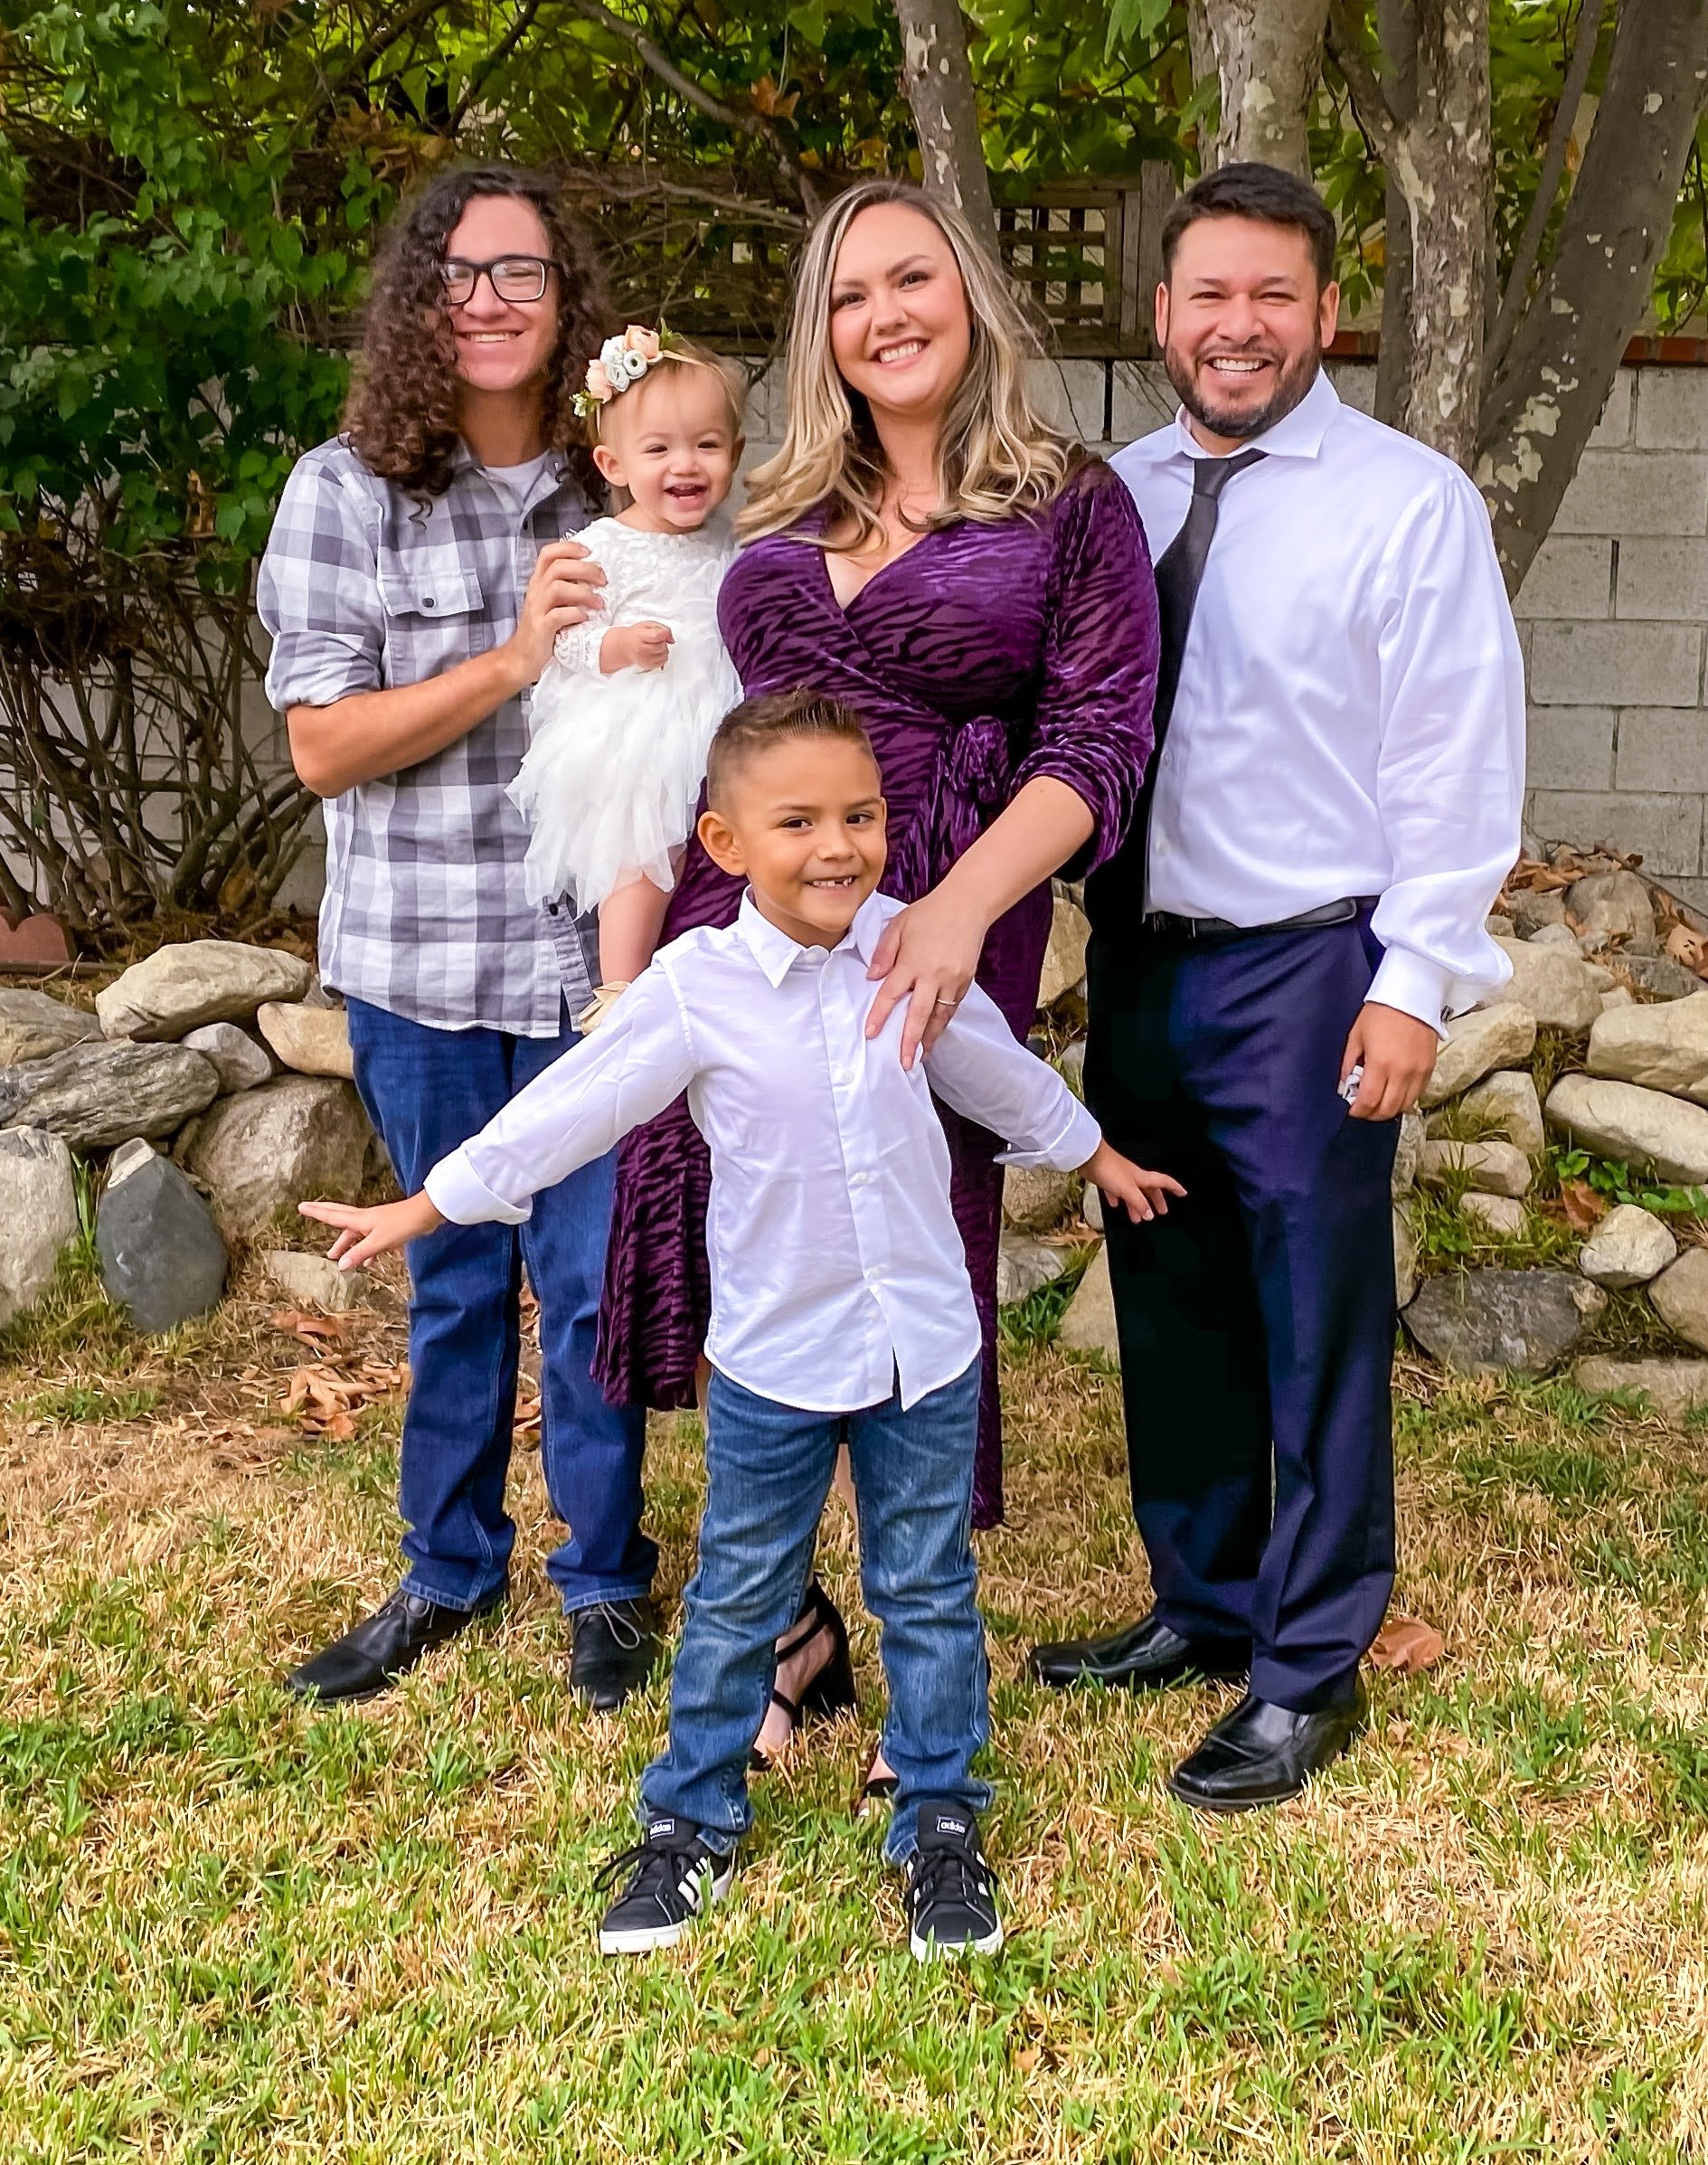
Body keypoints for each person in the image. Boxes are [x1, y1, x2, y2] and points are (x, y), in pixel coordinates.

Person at [302, 689, 1181, 1958]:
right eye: (800, 822)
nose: (840, 845)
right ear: (723, 844)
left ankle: (938, 1814)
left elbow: (993, 1069)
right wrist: (433, 1202)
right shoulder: (695, 988)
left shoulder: (907, 950)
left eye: (862, 815)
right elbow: (577, 1105)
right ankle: (689, 1821)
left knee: (927, 1589)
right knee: (735, 1594)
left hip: (922, 1350)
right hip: (775, 1360)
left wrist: (1095, 1155)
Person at [592, 178, 1160, 1773]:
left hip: (943, 908)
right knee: (718, 1238)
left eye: (911, 279)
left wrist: (955, 915)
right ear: (818, 334)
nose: (882, 315)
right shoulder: (775, 513)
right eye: (847, 296)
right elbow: (660, 680)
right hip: (748, 912)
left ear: (969, 295)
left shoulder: (1070, 502)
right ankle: (786, 1632)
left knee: (904, 1249)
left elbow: (1098, 743)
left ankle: (916, 1607)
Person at [1028, 162, 1524, 1810]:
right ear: (1161, 315)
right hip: (1141, 964)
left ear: (1324, 312)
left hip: (1308, 966)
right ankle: (1203, 1599)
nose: (1237, 327)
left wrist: (1414, 980)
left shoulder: (1406, 503)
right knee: (1169, 1302)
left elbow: (1455, 756)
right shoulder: (1109, 498)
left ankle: (1308, 1668)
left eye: (1272, 297)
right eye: (1208, 296)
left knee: (1313, 1318)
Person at [257, 164, 663, 1712]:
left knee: (590, 1283)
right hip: (421, 967)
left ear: (570, 306)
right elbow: (322, 748)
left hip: (588, 971)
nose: (489, 298)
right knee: (454, 1287)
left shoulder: (621, 488)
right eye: (461, 271)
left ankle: (608, 1580)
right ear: (420, 300)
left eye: (525, 272)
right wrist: (511, 660)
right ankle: (446, 1567)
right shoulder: (346, 491)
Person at [507, 327, 743, 1022]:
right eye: (660, 448)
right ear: (613, 463)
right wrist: (620, 645)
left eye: (707, 444)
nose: (686, 464)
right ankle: (620, 986)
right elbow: (568, 641)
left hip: (720, 714)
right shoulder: (600, 545)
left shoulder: (733, 542)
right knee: (642, 850)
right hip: (643, 723)